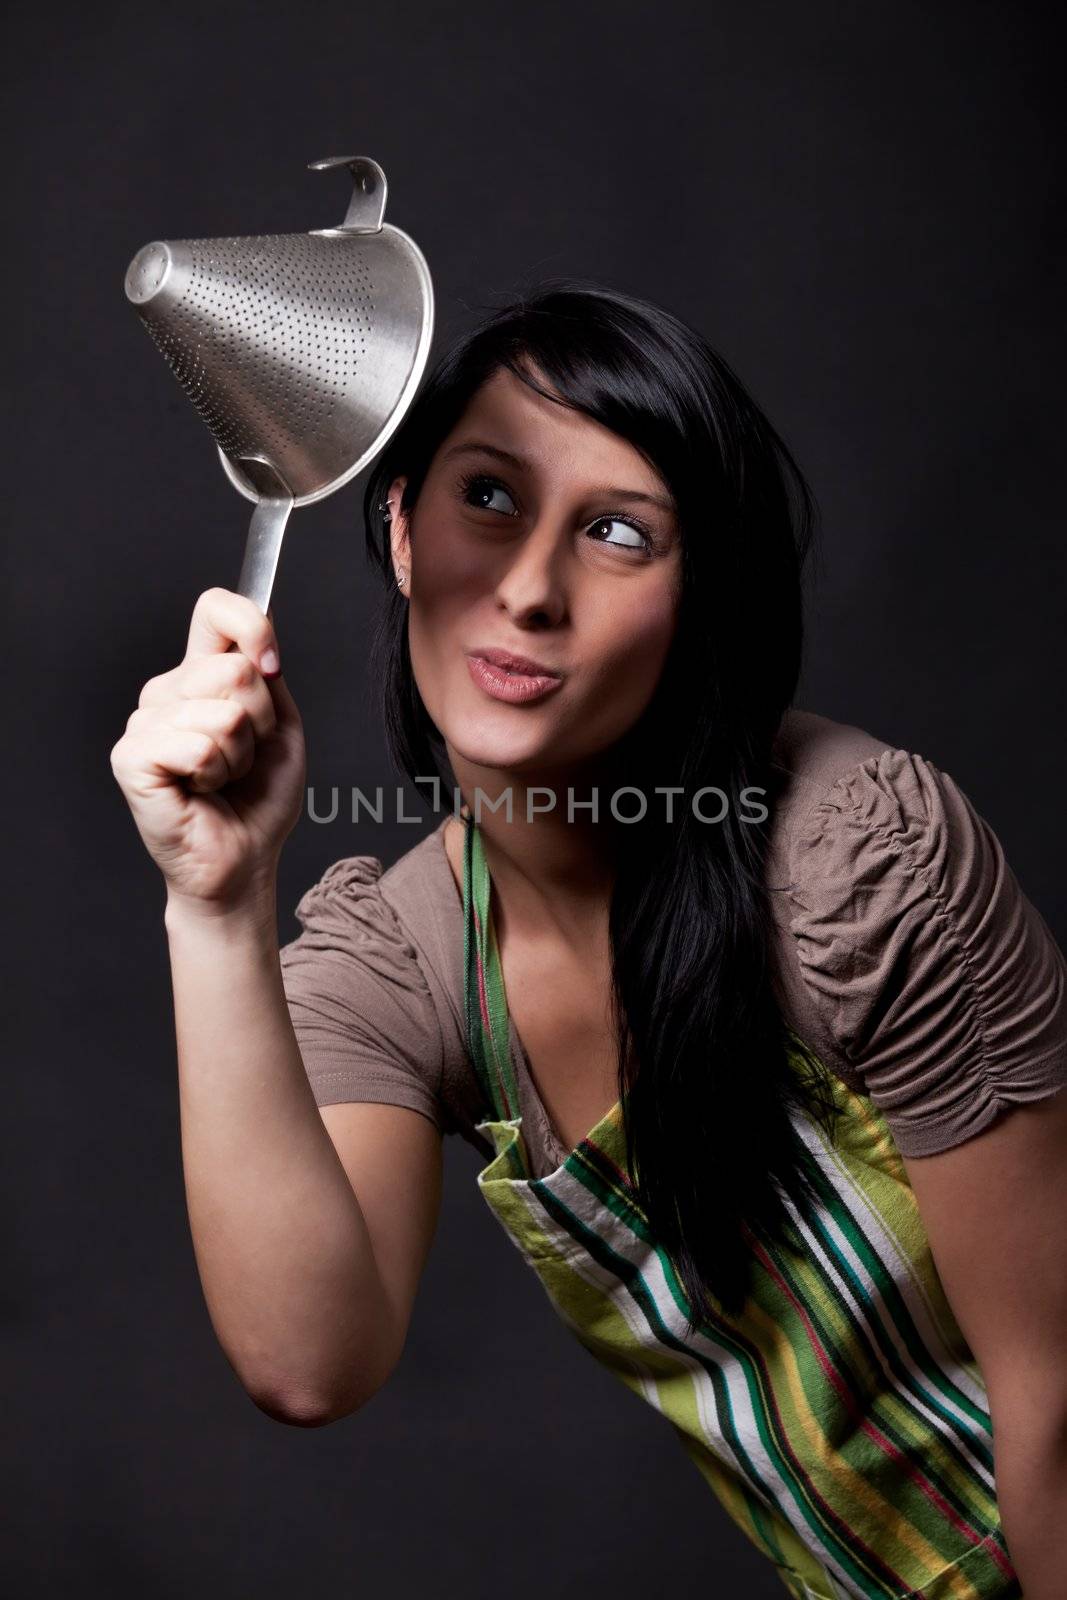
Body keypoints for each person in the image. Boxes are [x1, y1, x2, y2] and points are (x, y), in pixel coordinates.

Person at [110, 280, 1067, 1599]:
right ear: (398, 528)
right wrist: (214, 906)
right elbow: (308, 1362)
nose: (528, 590)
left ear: (698, 599)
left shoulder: (856, 863)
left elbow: (1057, 1396)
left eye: (617, 532)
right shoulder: (395, 964)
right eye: (487, 498)